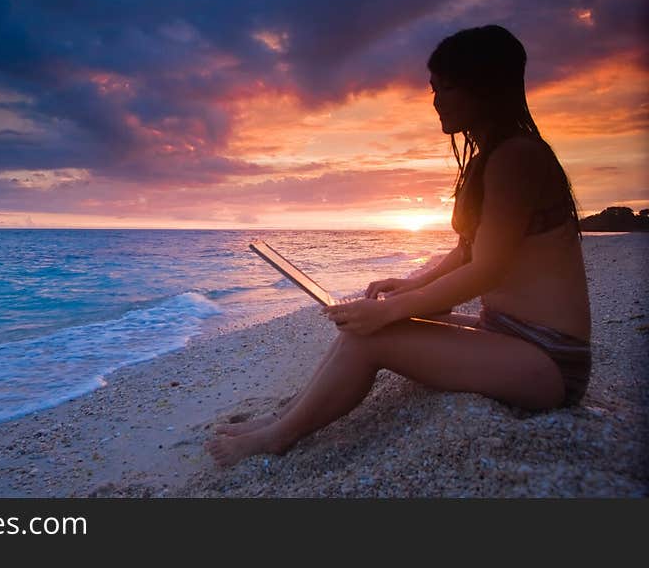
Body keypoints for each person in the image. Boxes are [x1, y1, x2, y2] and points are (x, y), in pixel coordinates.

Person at [206, 24, 592, 467]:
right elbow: (470, 250)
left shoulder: (517, 156)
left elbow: (488, 270)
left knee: (371, 338)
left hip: (549, 359)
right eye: (433, 88)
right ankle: (285, 415)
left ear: (486, 87)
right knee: (372, 324)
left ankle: (279, 436)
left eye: (448, 87)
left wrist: (391, 310)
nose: (436, 100)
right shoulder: (494, 157)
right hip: (509, 332)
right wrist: (411, 285)